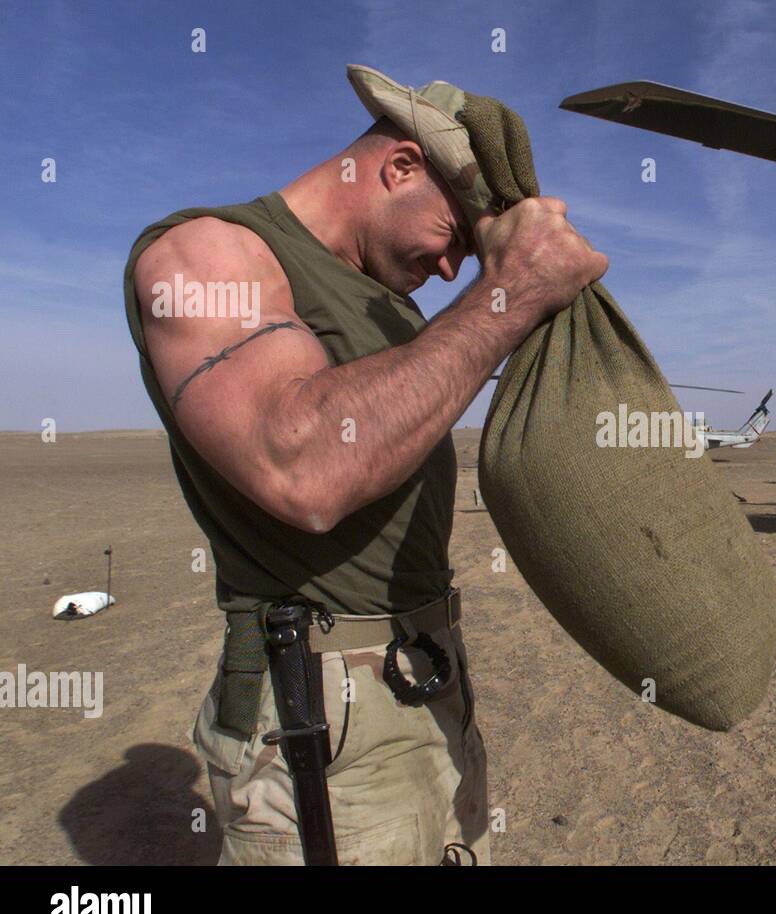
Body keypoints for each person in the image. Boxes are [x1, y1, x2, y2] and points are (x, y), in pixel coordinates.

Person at [122, 67, 607, 865]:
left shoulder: (396, 309)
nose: (454, 271)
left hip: (428, 683)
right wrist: (509, 291)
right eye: (454, 239)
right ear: (400, 167)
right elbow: (303, 469)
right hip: (317, 718)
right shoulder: (205, 252)